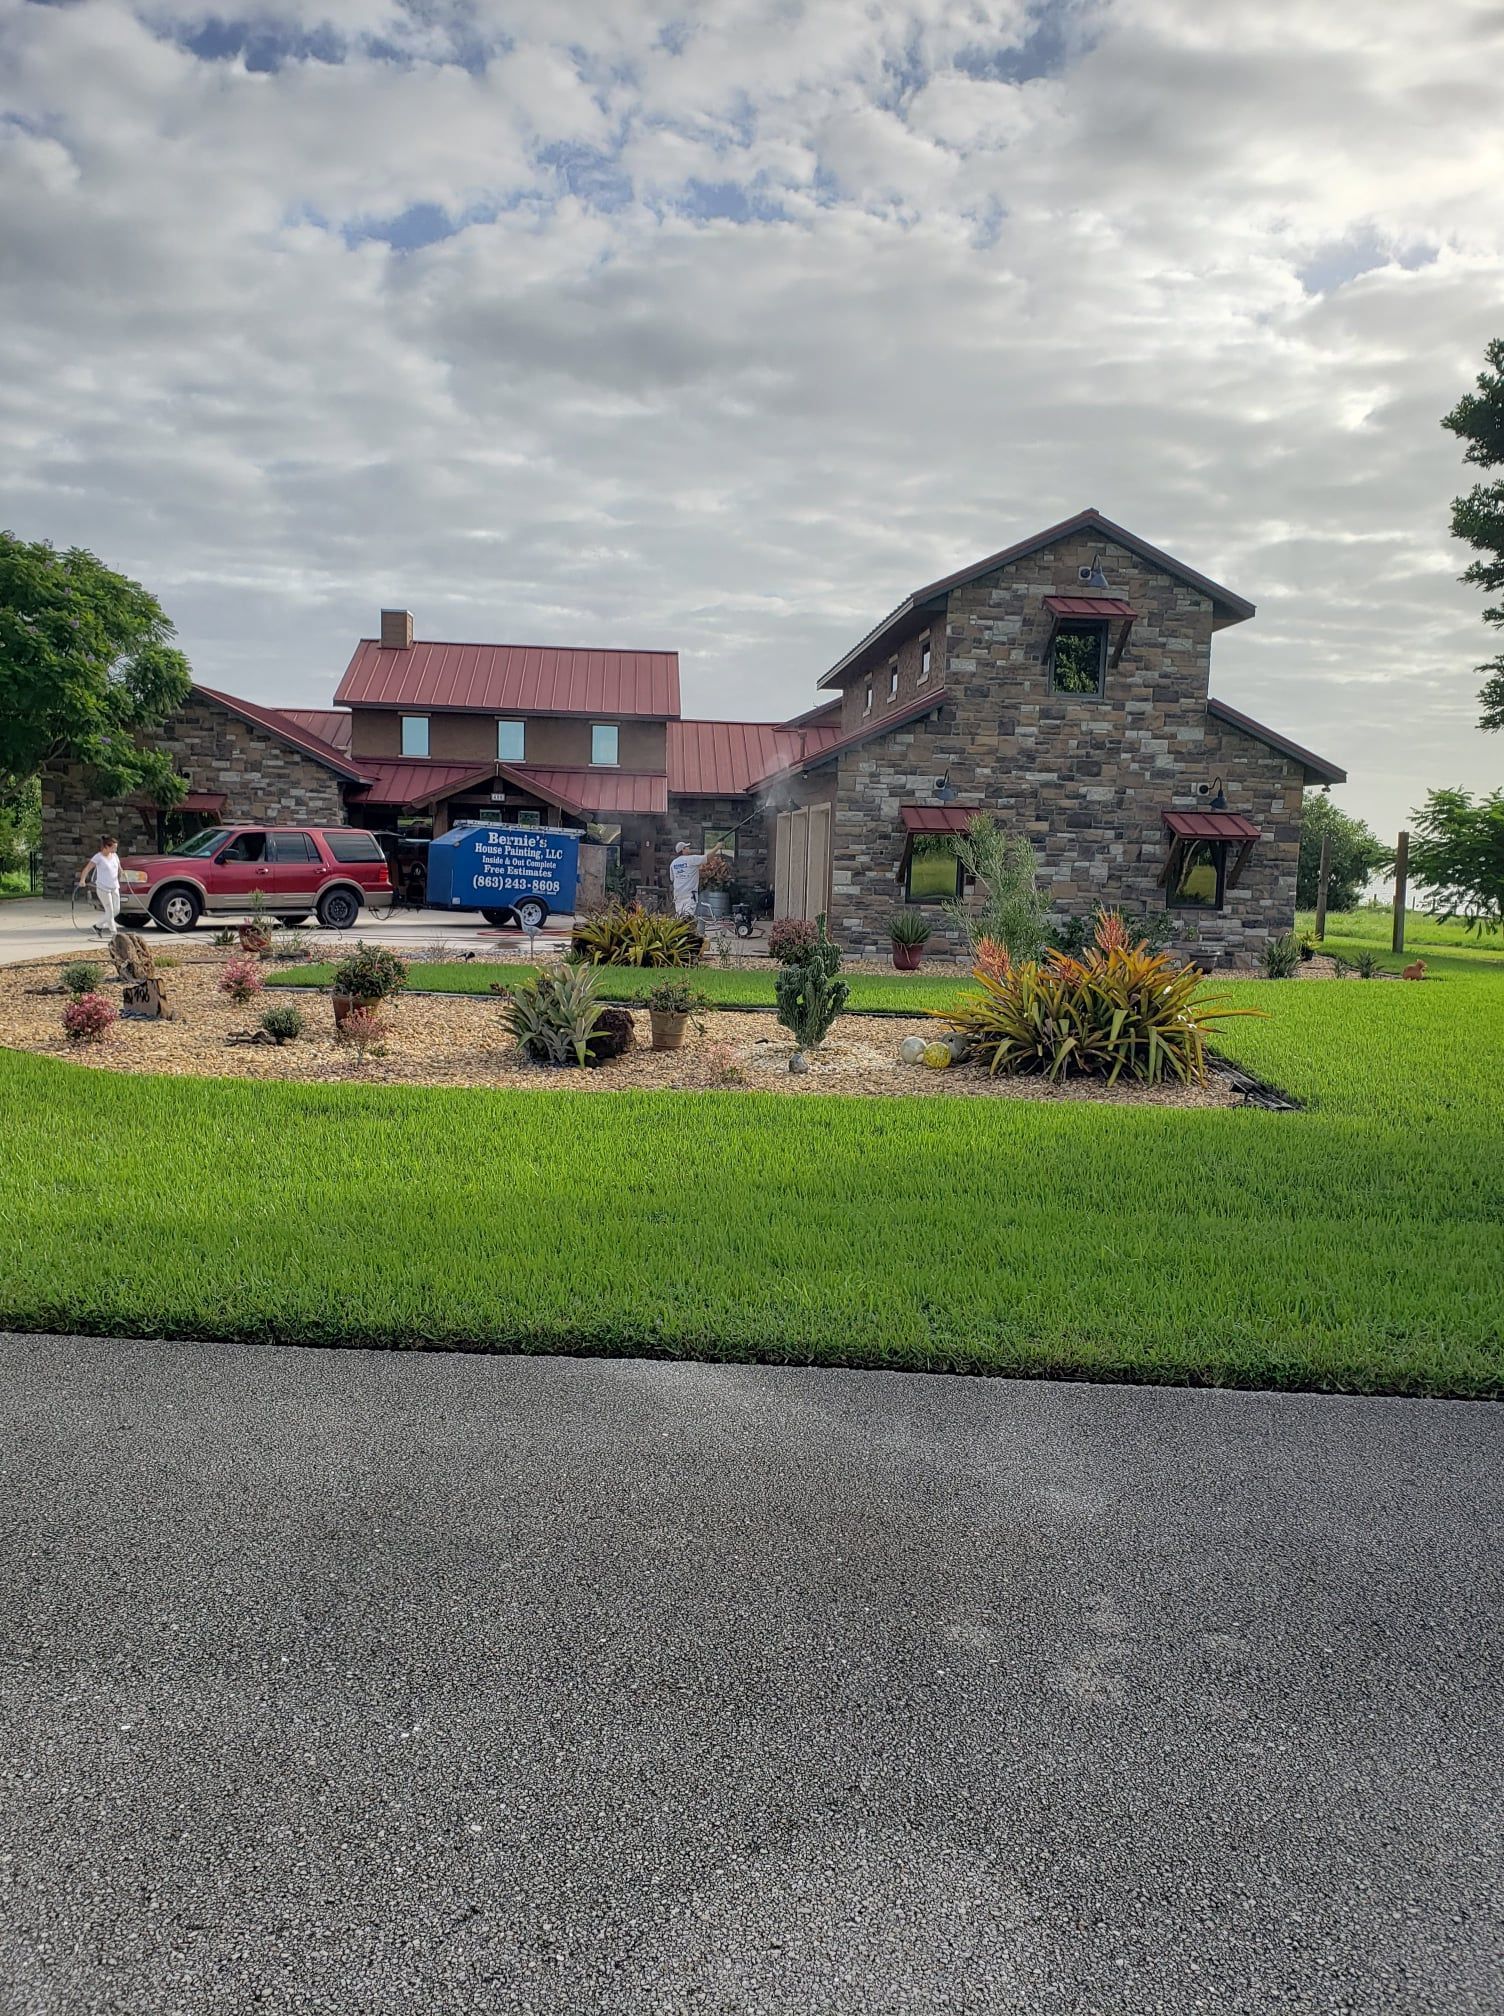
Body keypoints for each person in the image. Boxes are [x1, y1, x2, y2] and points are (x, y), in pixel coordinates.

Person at [78, 835, 122, 939]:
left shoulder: (115, 856)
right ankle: (114, 934)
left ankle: (97, 926)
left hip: (114, 887)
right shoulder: (98, 857)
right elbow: (87, 868)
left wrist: (122, 875)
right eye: (114, 847)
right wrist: (82, 880)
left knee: (116, 910)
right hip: (103, 888)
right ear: (106, 847)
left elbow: (119, 868)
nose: (115, 849)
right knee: (110, 911)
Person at [668, 840, 715, 919]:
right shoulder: (691, 859)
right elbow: (707, 858)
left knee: (680, 917)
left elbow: (672, 879)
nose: (689, 848)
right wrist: (717, 847)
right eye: (687, 847)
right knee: (688, 918)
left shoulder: (673, 863)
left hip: (678, 895)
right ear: (683, 850)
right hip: (690, 895)